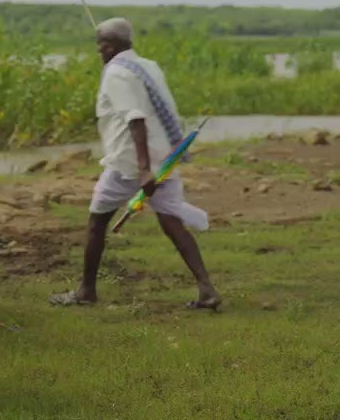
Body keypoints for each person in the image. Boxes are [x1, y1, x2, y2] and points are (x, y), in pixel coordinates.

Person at [49, 17, 222, 310]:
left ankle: (86, 292)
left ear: (110, 46)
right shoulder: (148, 65)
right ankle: (207, 289)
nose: (98, 50)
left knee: (96, 222)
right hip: (164, 159)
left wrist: (142, 170)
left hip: (129, 164)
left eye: (101, 44)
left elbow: (136, 119)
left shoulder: (116, 73)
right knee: (172, 222)